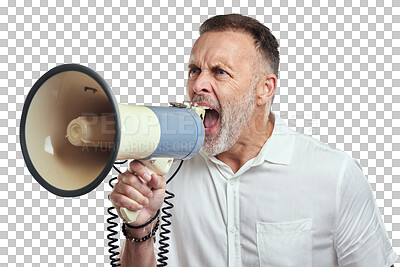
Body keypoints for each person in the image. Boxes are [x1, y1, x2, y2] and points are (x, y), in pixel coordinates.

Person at [110, 14, 398, 266]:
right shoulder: (166, 170)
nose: (198, 85)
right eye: (194, 70)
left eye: (219, 72)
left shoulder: (334, 175)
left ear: (264, 89)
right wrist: (141, 231)